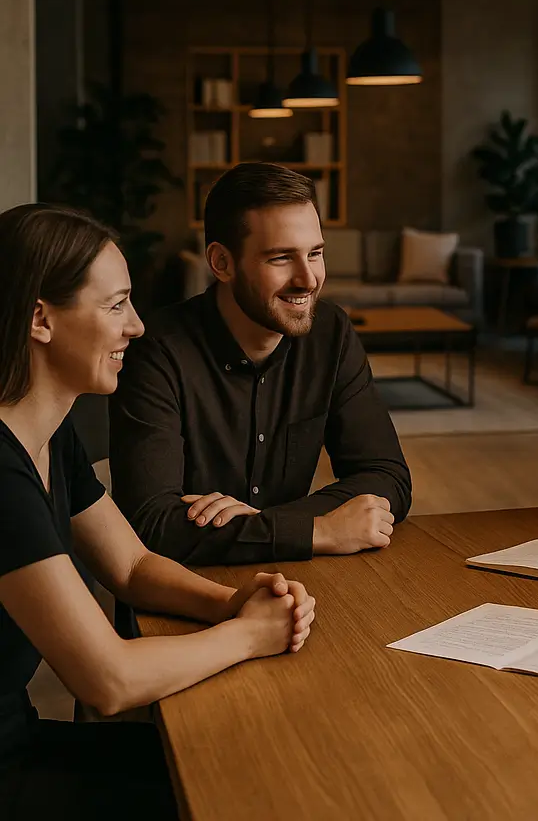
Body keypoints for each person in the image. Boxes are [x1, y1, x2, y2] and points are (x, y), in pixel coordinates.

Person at [0, 204, 315, 819]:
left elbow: (133, 566)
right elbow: (108, 680)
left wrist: (233, 601)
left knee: (242, 763)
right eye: (116, 305)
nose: (137, 327)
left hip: (20, 740)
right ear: (40, 319)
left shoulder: (49, 437)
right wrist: (249, 635)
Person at [110, 163, 411, 565]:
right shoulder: (157, 350)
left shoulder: (331, 332)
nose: (308, 279)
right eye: (281, 258)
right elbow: (151, 523)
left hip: (295, 578)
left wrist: (266, 526)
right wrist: (317, 530)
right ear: (222, 262)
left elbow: (388, 476)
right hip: (187, 585)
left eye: (315, 254)